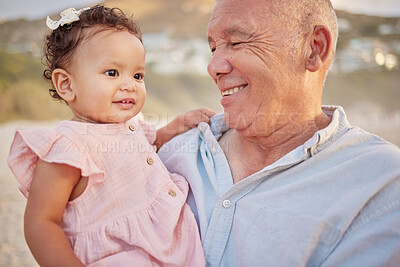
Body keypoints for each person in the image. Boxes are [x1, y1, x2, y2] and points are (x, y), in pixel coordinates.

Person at [158, 0, 400, 266]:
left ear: (314, 48)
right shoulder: (170, 153)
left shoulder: (381, 182)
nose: (213, 66)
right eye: (213, 47)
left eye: (236, 43)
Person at [7, 5, 212, 266]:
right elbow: (41, 222)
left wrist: (179, 123)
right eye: (112, 73)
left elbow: (151, 144)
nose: (130, 84)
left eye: (138, 75)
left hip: (171, 245)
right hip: (116, 254)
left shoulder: (132, 124)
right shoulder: (68, 148)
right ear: (67, 85)